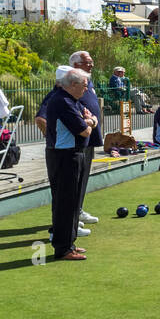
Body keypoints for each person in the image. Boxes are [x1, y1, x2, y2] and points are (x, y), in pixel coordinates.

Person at [36, 51, 102, 234]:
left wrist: (90, 122)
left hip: (81, 146)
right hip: (66, 151)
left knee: (78, 186)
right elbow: (41, 119)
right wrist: (54, 138)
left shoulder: (75, 95)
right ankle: (64, 230)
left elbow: (87, 120)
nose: (91, 65)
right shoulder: (59, 97)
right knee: (66, 193)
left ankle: (74, 218)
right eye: (87, 63)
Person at [45, 68, 93, 261]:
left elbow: (85, 120)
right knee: (65, 203)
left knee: (72, 202)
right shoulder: (62, 101)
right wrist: (92, 121)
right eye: (84, 86)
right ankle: (63, 248)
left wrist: (88, 119)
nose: (86, 89)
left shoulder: (71, 100)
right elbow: (84, 131)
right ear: (72, 85)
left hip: (73, 155)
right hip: (64, 156)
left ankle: (69, 243)